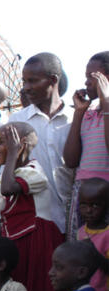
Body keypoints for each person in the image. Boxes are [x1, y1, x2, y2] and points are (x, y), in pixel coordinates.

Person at [0, 122, 64, 291]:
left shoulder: (33, 171)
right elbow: (2, 212)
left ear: (20, 145)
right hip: (15, 241)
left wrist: (14, 154)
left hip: (36, 239)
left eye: (3, 143)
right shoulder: (5, 174)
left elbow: (9, 189)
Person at [9, 53, 73, 235]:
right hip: (36, 222)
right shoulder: (18, 121)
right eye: (24, 82)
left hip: (74, 217)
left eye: (33, 81)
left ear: (53, 80)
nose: (26, 88)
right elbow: (7, 171)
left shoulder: (77, 118)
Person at [64, 52, 109, 240]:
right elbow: (71, 160)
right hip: (83, 192)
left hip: (105, 191)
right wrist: (79, 113)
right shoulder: (88, 113)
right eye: (86, 77)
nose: (86, 83)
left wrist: (106, 104)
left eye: (93, 77)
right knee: (81, 250)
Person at [76, 178, 109, 291]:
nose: (88, 211)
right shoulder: (79, 232)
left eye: (95, 205)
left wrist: (93, 251)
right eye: (84, 205)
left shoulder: (107, 234)